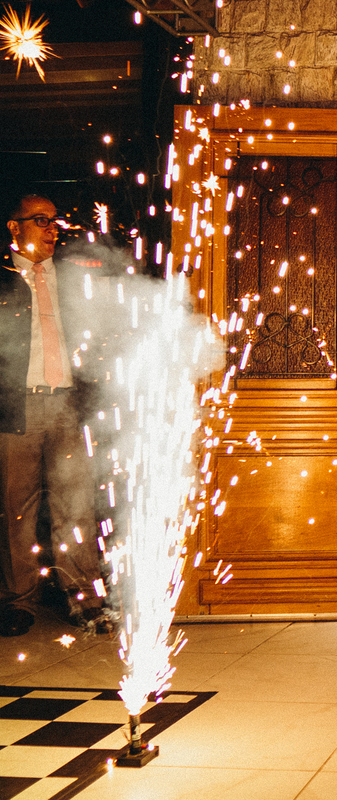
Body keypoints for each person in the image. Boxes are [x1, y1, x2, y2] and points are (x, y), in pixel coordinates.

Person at [0, 194, 108, 637]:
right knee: (16, 510)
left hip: (67, 405)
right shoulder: (3, 278)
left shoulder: (70, 276)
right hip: (15, 406)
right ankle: (19, 601)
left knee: (76, 507)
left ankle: (85, 600)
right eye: (40, 221)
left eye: (55, 221)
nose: (52, 229)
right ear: (13, 227)